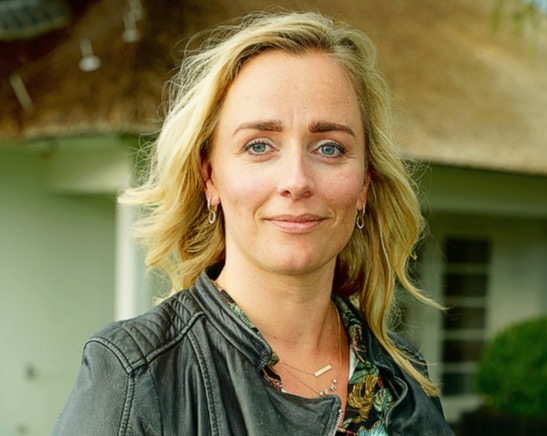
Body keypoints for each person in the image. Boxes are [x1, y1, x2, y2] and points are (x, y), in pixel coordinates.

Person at [53, 10, 454, 435]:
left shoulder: (404, 377)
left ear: (364, 185)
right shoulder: (134, 374)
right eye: (259, 146)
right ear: (210, 177)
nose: (296, 181)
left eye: (330, 148)